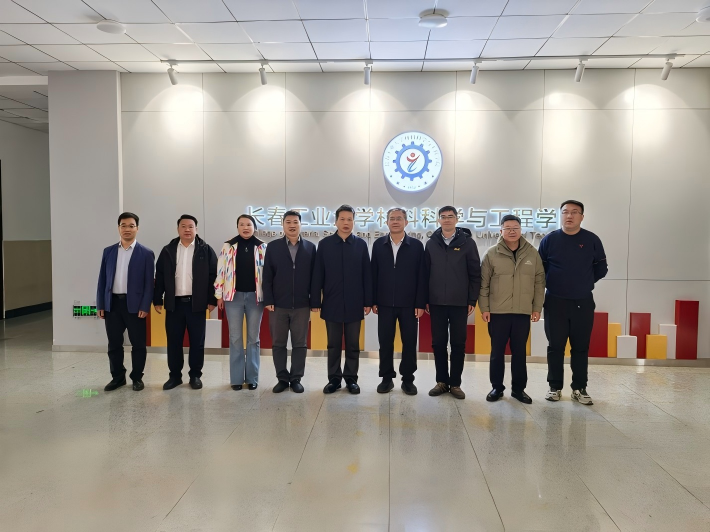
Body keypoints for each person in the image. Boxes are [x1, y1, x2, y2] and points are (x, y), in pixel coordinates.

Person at [538, 200, 608, 405]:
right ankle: (554, 387)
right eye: (565, 212)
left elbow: (601, 268)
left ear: (582, 217)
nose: (569, 216)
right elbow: (540, 269)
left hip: (582, 301)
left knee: (580, 347)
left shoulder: (591, 240)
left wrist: (584, 282)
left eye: (575, 212)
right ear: (561, 215)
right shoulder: (549, 240)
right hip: (555, 301)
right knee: (555, 346)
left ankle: (579, 388)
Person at [479, 214, 545, 404]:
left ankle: (518, 390)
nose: (512, 231)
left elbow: (539, 283)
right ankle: (496, 388)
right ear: (501, 231)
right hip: (497, 313)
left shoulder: (532, 253)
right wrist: (485, 308)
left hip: (522, 312)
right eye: (507, 228)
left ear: (521, 230)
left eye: (515, 228)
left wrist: (536, 308)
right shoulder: (491, 254)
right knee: (497, 352)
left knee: (520, 353)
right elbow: (483, 284)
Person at [310, 205, 372, 395]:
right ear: (336, 221)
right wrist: (315, 301)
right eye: (342, 219)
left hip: (355, 302)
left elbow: (367, 275)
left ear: (354, 222)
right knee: (333, 344)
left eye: (350, 219)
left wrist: (368, 301)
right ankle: (334, 379)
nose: (346, 223)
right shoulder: (325, 244)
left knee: (353, 344)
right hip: (332, 301)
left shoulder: (360, 245)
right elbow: (318, 273)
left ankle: (351, 379)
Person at [153, 215, 217, 391]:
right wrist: (157, 299)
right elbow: (160, 275)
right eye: (183, 226)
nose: (187, 229)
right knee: (174, 341)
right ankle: (175, 376)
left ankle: (195, 375)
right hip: (174, 304)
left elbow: (213, 276)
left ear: (196, 229)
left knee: (197, 342)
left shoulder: (205, 250)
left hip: (197, 304)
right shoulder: (168, 250)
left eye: (191, 226)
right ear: (178, 229)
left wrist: (212, 299)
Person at [424, 206, 481, 400]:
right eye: (443, 217)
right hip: (436, 303)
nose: (447, 219)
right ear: (438, 220)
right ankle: (441, 381)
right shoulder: (431, 243)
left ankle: (455, 383)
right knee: (438, 343)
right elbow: (425, 274)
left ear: (457, 219)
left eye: (450, 216)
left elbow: (475, 274)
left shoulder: (468, 243)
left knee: (458, 343)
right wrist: (425, 299)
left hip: (459, 303)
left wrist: (471, 299)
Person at [96, 212, 155, 392]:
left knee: (138, 344)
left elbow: (149, 284)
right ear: (118, 228)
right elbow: (102, 280)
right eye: (123, 225)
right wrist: (101, 304)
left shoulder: (146, 253)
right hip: (112, 304)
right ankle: (117, 377)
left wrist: (145, 306)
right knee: (114, 344)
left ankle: (137, 378)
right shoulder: (108, 251)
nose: (127, 229)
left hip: (135, 306)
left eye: (131, 225)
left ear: (137, 228)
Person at [371, 207, 426, 395]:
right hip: (384, 303)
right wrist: (373, 300)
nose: (395, 221)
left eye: (399, 218)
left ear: (406, 222)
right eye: (392, 218)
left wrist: (420, 303)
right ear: (387, 222)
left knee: (409, 343)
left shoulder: (416, 246)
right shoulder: (379, 244)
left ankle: (408, 380)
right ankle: (386, 378)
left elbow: (422, 276)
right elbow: (373, 274)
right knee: (385, 342)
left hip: (409, 305)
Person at [262, 210, 316, 394]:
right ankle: (282, 378)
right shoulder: (273, 247)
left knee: (300, 344)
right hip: (278, 305)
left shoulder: (310, 248)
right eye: (288, 222)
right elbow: (267, 276)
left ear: (300, 224)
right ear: (283, 225)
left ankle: (296, 378)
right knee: (278, 343)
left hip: (302, 305)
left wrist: (314, 301)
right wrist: (268, 299)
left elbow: (315, 278)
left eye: (295, 222)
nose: (292, 225)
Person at [215, 214, 267, 391]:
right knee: (235, 338)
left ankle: (252, 378)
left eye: (249, 224)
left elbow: (268, 275)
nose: (245, 227)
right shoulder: (228, 246)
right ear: (237, 227)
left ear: (254, 227)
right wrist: (219, 295)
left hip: (256, 298)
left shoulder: (262, 247)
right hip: (233, 297)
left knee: (253, 338)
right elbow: (221, 271)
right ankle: (236, 379)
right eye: (242, 224)